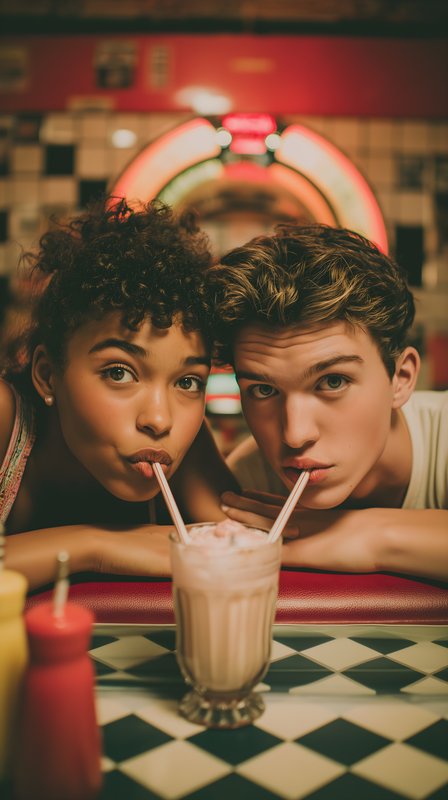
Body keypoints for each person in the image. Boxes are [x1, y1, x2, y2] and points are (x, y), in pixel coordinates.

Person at [0, 198, 237, 591]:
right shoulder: (7, 419)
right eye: (119, 372)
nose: (160, 420)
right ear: (47, 375)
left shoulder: (181, 445)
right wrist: (97, 545)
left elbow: (250, 547)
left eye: (187, 382)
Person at [205, 224, 448, 582]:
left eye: (332, 382)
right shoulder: (251, 480)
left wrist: (368, 534)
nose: (295, 434)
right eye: (263, 390)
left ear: (401, 378)